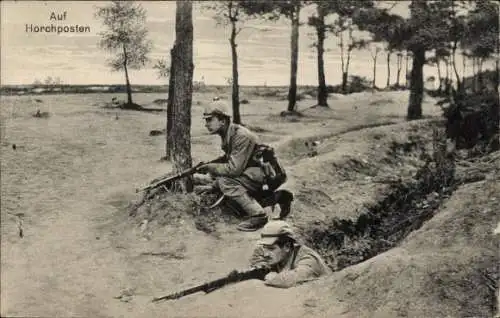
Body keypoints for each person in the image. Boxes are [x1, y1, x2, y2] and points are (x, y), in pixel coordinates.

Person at [196, 101, 280, 231]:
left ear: (223, 121)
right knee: (217, 177)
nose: (206, 124)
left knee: (226, 181)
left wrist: (210, 167)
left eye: (209, 120)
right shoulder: (229, 134)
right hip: (250, 171)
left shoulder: (241, 136)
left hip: (266, 175)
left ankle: (258, 215)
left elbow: (234, 169)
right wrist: (209, 165)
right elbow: (230, 158)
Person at [249, 220, 332, 288]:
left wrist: (273, 277)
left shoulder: (308, 258)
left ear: (287, 246)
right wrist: (264, 268)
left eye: (271, 249)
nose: (266, 254)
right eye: (265, 247)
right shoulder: (275, 253)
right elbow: (256, 259)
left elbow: (294, 279)